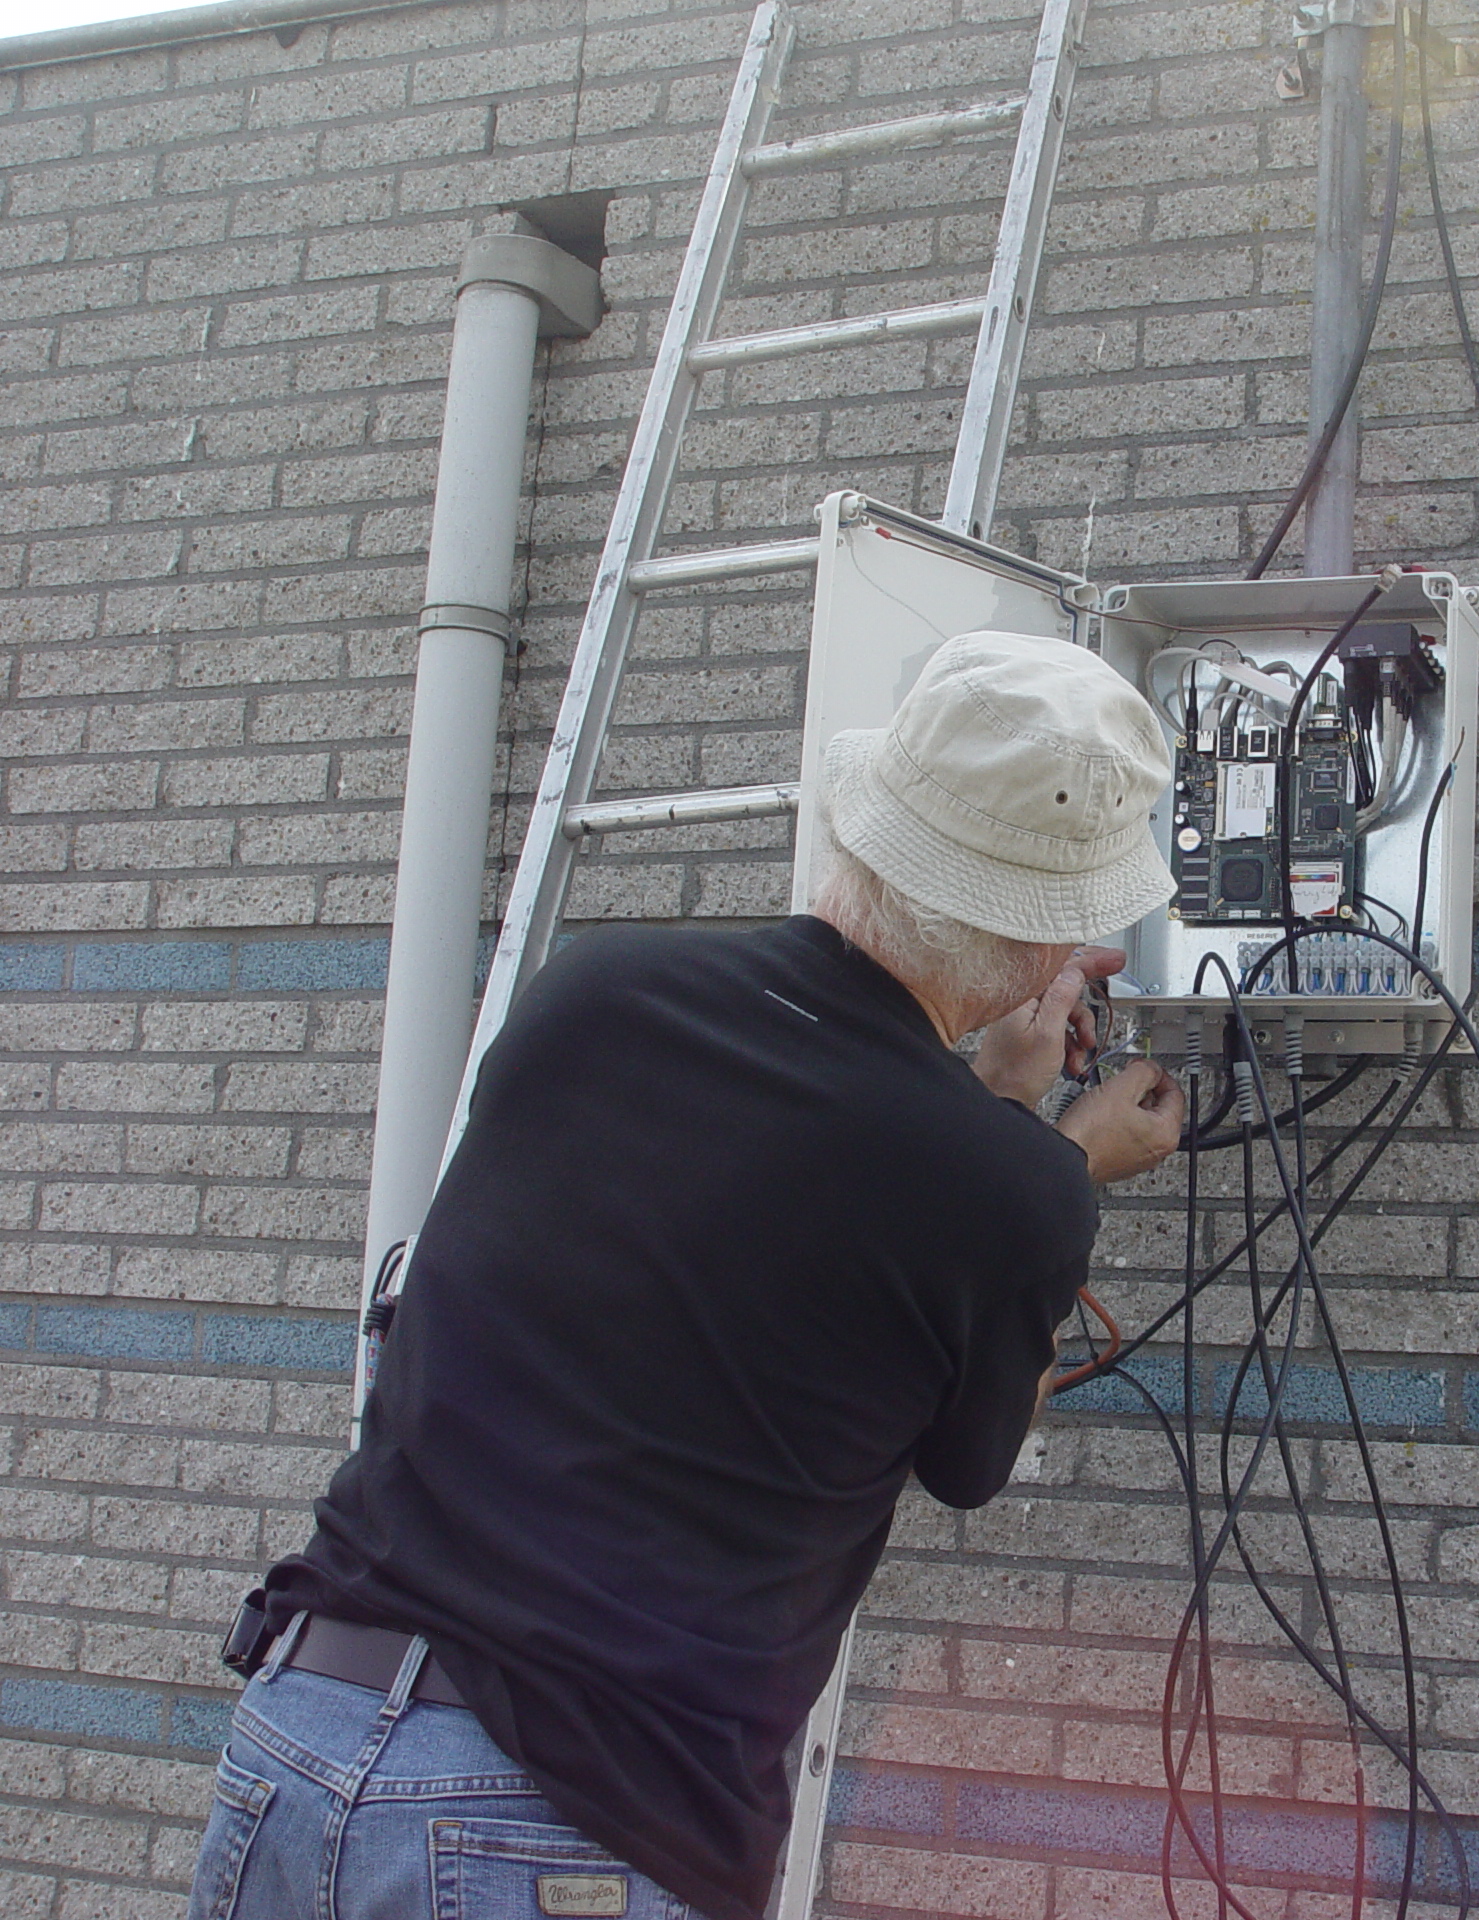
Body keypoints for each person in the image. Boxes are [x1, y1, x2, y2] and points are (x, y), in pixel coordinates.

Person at [187, 631, 1189, 1920]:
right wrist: (1056, 1157)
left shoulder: (593, 990)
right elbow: (964, 1459)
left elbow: (759, 1198)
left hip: (302, 1729)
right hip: (564, 1824)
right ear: (1031, 948)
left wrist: (992, 1120)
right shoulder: (1009, 1192)